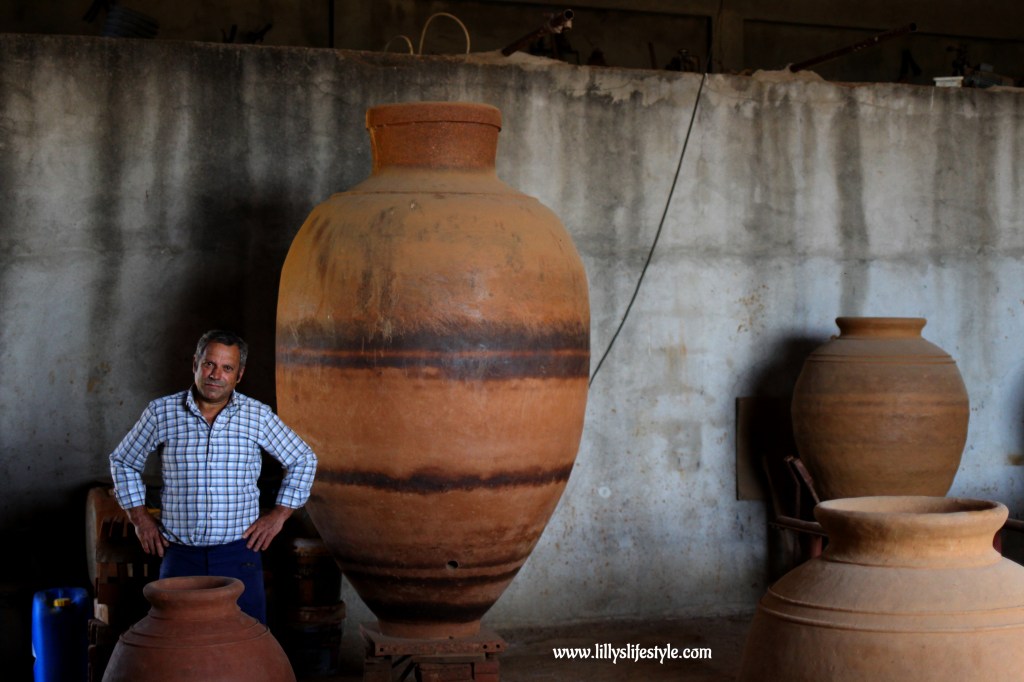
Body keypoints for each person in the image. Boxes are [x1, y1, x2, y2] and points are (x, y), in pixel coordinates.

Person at [109, 329, 317, 623]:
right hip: (179, 555)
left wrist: (279, 515)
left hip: (238, 554)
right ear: (195, 363)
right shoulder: (161, 413)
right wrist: (140, 519)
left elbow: (302, 459)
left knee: (245, 644)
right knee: (176, 645)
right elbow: (123, 461)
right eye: (209, 364)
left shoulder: (256, 416)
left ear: (239, 375)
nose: (216, 374)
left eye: (227, 368)